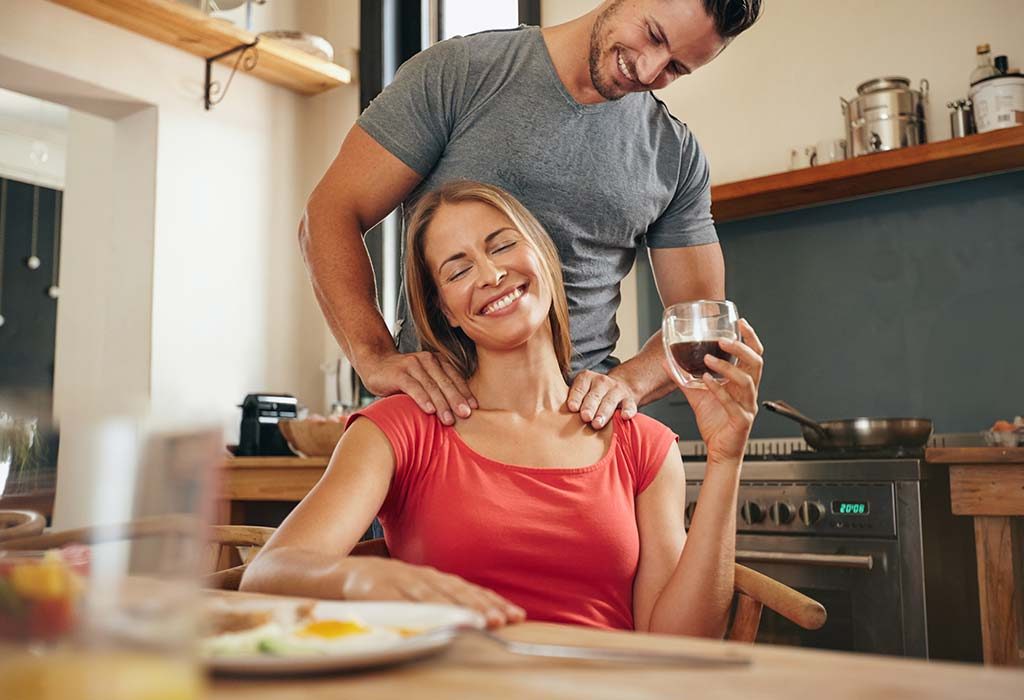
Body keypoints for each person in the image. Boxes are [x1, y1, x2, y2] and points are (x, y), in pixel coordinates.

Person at [245, 182, 764, 636]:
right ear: (444, 311)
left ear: (543, 256)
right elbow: (268, 576)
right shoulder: (398, 430)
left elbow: (677, 640)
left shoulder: (642, 445)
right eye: (458, 270)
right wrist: (361, 578)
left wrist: (725, 460)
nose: (491, 274)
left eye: (503, 246)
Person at [300, 0, 763, 430]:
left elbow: (702, 323)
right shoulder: (459, 73)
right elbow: (330, 212)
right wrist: (373, 356)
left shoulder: (674, 155)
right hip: (437, 425)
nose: (648, 69)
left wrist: (629, 383)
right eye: (654, 35)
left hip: (580, 438)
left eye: (676, 68)